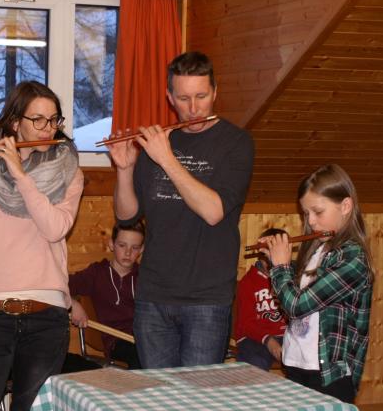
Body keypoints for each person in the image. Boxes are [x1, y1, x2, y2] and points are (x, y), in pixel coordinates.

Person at [107, 51, 254, 368]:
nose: (194, 108)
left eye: (202, 96)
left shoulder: (236, 143)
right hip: (153, 295)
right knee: (158, 391)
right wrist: (125, 170)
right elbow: (127, 216)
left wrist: (167, 159)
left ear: (215, 92)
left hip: (207, 300)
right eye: (184, 98)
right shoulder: (159, 143)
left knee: (196, 392)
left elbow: (213, 211)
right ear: (170, 97)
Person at [0, 80, 84, 411]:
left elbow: (55, 228)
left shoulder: (68, 170)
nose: (47, 128)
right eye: (37, 120)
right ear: (14, 123)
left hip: (47, 313)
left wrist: (21, 177)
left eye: (53, 120)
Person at [261, 164, 373, 403]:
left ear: (345, 206)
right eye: (306, 213)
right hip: (296, 362)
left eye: (318, 212)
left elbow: (297, 306)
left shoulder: (353, 259)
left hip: (329, 374)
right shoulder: (317, 250)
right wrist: (279, 262)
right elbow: (298, 293)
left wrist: (280, 268)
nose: (311, 221)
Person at [68, 222, 144, 369]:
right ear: (111, 244)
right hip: (117, 343)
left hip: (144, 339)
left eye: (134, 247)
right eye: (122, 245)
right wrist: (72, 303)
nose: (128, 252)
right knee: (142, 358)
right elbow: (60, 285)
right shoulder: (96, 273)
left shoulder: (146, 277)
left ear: (141, 249)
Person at [234, 228, 287, 371]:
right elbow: (246, 324)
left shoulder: (293, 278)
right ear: (261, 252)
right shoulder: (248, 282)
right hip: (256, 337)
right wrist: (268, 340)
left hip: (287, 336)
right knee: (256, 361)